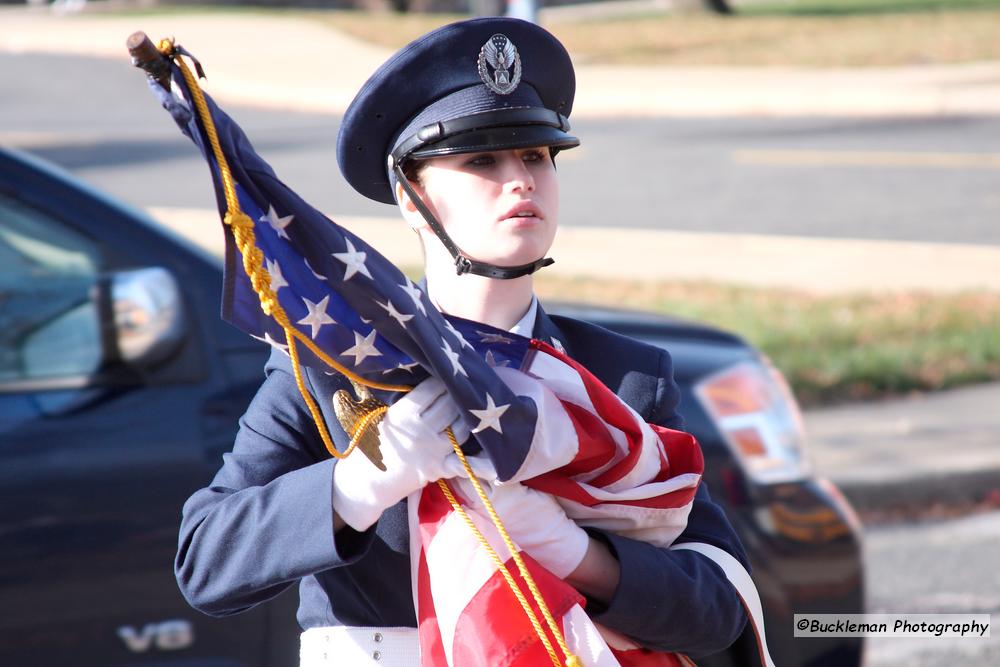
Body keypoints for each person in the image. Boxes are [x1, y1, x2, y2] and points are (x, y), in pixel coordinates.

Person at [175, 17, 753, 667]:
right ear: (411, 194)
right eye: (482, 159)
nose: (522, 180)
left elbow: (720, 609)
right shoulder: (330, 368)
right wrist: (360, 482)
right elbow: (206, 560)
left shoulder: (622, 377)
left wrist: (579, 556)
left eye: (536, 155)